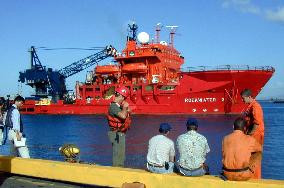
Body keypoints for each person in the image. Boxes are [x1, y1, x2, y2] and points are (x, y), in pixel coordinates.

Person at [241, 88, 264, 178]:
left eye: (243, 98)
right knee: (250, 157)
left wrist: (248, 135)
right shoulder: (251, 106)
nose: (242, 100)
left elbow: (256, 123)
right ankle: (251, 175)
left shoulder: (255, 106)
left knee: (255, 157)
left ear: (249, 96)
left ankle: (255, 177)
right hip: (253, 136)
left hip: (256, 137)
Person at [107, 86, 131, 167]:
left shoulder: (118, 106)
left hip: (120, 133)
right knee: (118, 157)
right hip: (116, 134)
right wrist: (125, 107)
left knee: (121, 156)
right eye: (124, 97)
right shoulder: (113, 106)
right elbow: (123, 116)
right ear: (121, 95)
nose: (124, 99)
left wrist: (126, 109)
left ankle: (119, 169)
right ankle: (116, 172)